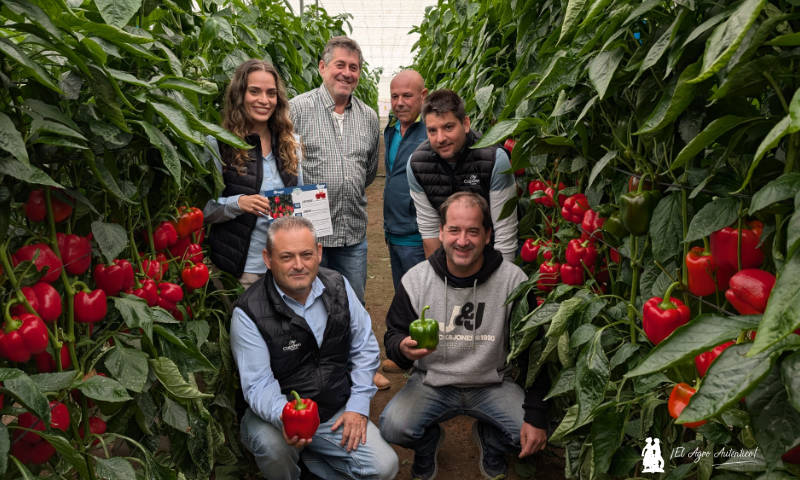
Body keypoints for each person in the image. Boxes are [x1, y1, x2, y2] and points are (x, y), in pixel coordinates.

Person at [379, 192, 549, 480]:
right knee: (393, 426)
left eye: (473, 231)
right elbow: (394, 334)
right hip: (433, 382)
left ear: (487, 236)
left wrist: (535, 416)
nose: (462, 240)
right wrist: (402, 350)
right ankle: (428, 443)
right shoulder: (417, 280)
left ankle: (490, 440)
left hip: (492, 383)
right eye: (454, 230)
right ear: (441, 232)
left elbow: (536, 351)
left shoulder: (513, 282)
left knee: (535, 430)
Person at [230, 216, 398, 480]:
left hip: (334, 409)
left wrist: (357, 406)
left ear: (319, 253)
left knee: (384, 467)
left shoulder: (338, 285)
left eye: (306, 255)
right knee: (273, 448)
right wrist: (287, 417)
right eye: (286, 257)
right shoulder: (249, 312)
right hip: (280, 414)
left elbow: (364, 348)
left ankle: (314, 462)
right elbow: (258, 384)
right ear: (267, 258)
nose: (299, 265)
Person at [289, 36, 379, 304]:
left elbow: (369, 172)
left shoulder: (369, 117)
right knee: (307, 304)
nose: (347, 73)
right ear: (322, 67)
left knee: (351, 305)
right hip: (308, 239)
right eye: (340, 65)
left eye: (354, 68)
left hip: (352, 236)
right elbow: (283, 168)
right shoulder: (297, 109)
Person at [204, 59, 303, 290]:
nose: (264, 100)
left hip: (283, 269)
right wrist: (238, 203)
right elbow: (203, 210)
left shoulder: (291, 144)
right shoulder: (218, 145)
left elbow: (300, 203)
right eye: (254, 91)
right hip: (242, 269)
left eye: (271, 93)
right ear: (240, 95)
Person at [407, 89, 518, 262]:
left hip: (490, 256)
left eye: (448, 127)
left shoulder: (495, 159)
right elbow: (430, 231)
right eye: (432, 131)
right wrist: (440, 280)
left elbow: (505, 236)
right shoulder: (417, 165)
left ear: (466, 124)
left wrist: (501, 283)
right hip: (452, 259)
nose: (440, 138)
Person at [383, 69, 428, 292]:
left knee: (421, 300)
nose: (399, 103)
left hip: (418, 237)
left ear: (423, 96)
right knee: (403, 296)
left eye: (407, 96)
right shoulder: (391, 131)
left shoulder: (431, 133)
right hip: (394, 233)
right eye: (395, 96)